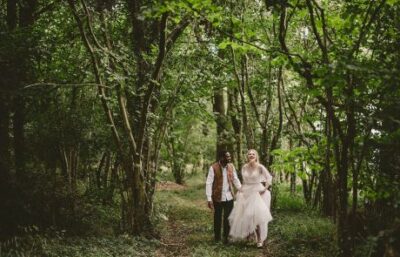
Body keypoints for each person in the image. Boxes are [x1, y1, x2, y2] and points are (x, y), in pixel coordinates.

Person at [228, 149, 273, 248]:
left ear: (256, 156)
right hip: (246, 191)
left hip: (257, 192)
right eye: (249, 154)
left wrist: (265, 189)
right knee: (245, 215)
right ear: (247, 156)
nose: (251, 155)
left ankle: (259, 239)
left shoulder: (260, 167)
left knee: (255, 216)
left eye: (253, 154)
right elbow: (244, 181)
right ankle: (249, 236)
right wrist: (241, 190)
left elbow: (269, 177)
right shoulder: (244, 167)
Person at [206, 150, 242, 244]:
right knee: (217, 218)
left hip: (229, 197)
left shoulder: (231, 166)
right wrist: (209, 199)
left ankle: (226, 237)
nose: (229, 158)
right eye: (227, 156)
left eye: (229, 156)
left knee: (228, 218)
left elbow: (235, 179)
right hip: (217, 197)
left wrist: (241, 189)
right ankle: (217, 238)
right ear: (221, 158)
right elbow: (209, 183)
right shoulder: (213, 167)